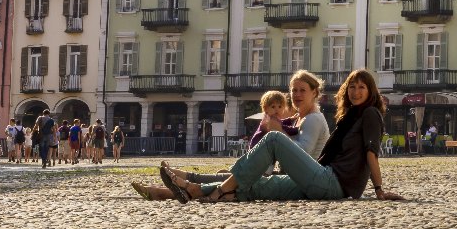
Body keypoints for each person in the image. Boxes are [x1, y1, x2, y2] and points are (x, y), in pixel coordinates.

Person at [161, 69, 402, 203]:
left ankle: (221, 188)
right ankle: (193, 189)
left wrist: (379, 189)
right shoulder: (350, 116)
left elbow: (372, 152)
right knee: (261, 185)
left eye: (361, 87)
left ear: (370, 91)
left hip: (333, 182)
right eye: (352, 86)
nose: (356, 91)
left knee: (274, 140)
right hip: (322, 180)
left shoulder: (370, 113)